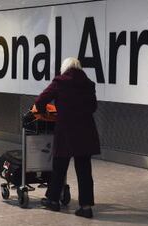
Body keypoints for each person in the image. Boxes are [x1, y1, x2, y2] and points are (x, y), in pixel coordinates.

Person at [35, 57, 100, 218]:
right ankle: (86, 207)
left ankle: (53, 201)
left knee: (59, 167)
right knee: (84, 170)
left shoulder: (60, 81)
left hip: (65, 131)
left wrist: (45, 112)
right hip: (86, 131)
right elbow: (93, 107)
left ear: (65, 68)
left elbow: (40, 100)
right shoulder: (89, 84)